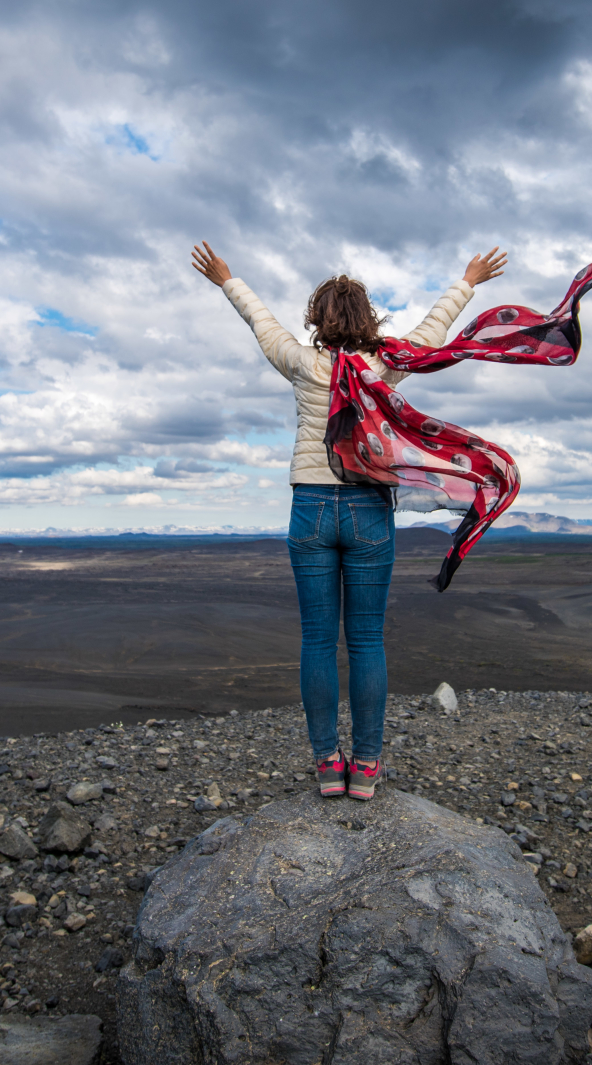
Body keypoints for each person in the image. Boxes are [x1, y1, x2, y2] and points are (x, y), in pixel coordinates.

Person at [191, 241, 508, 799]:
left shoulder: (300, 363)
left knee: (318, 640)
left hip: (310, 508)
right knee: (365, 641)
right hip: (368, 511)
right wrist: (467, 281)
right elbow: (431, 334)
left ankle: (325, 764)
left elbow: (261, 323)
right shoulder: (383, 365)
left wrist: (227, 281)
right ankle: (365, 767)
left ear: (317, 319)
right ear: (367, 320)